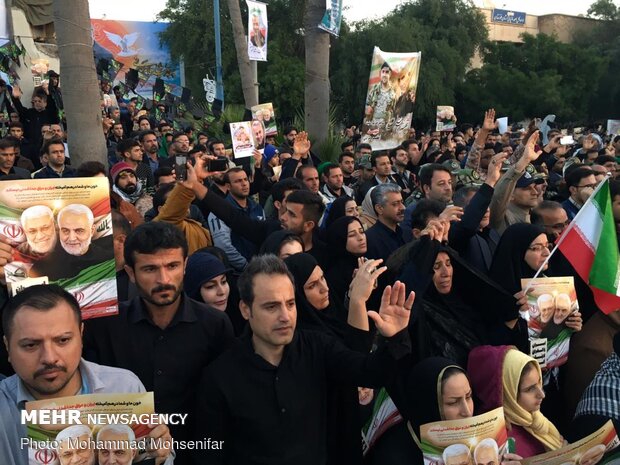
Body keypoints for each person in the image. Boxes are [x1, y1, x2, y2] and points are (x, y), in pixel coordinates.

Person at [192, 254, 414, 464]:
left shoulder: (317, 347)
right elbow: (208, 453)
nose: (285, 316)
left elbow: (368, 371)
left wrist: (394, 337)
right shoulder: (220, 377)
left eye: (290, 303)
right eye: (271, 306)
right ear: (245, 309)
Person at [82, 222, 234, 459]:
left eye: (172, 266)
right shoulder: (104, 326)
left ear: (185, 266)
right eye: (150, 269)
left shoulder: (215, 325)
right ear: (131, 273)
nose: (164, 279)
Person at [0, 285, 173, 465]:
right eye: (31, 345)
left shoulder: (124, 387)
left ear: (81, 335)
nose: (49, 358)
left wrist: (160, 453)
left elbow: (158, 455)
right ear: (7, 347)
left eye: (63, 340)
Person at [468, 345, 564, 458]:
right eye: (530, 389)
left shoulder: (532, 418)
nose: (542, 394)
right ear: (508, 394)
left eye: (539, 382)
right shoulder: (500, 446)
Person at [29, 204, 113, 281]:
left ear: (92, 231)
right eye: (65, 231)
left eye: (79, 231)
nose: (72, 238)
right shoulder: (40, 269)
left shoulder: (108, 259)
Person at [325, 216, 367, 309]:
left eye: (362, 232)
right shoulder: (334, 276)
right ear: (340, 239)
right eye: (352, 235)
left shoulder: (367, 262)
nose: (360, 238)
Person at [365, 183, 405, 262]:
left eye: (402, 202)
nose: (403, 207)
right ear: (379, 208)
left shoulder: (403, 232)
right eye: (395, 204)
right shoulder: (370, 240)